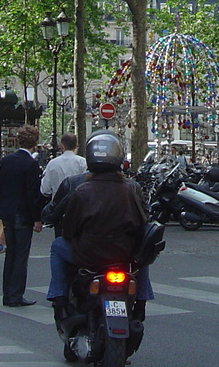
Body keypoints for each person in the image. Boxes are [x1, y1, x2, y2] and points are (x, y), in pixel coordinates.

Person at [54, 131, 151, 323]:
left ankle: (59, 299)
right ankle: (141, 302)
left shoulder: (82, 191)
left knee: (57, 247)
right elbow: (142, 224)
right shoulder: (129, 189)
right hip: (124, 254)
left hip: (88, 255)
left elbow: (68, 231)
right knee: (143, 252)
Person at [0, 125, 44, 307]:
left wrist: (2, 210)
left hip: (7, 213)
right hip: (23, 215)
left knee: (11, 254)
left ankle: (7, 293)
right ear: (34, 142)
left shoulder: (7, 160)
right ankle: (16, 295)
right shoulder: (30, 164)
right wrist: (37, 218)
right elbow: (32, 194)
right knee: (21, 257)